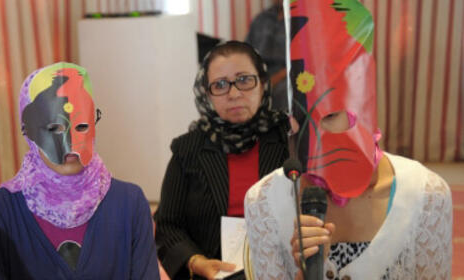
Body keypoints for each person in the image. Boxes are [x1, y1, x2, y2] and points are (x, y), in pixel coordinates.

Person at [244, 1, 453, 279]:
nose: (314, 139)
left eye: (330, 115)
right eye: (299, 120)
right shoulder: (264, 203)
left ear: (362, 106)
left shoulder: (427, 196)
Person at [0, 62, 160, 279]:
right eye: (54, 128)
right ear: (27, 130)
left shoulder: (130, 205)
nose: (70, 143)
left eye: (81, 126)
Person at [154, 41, 290, 280]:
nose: (234, 93)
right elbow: (167, 225)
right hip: (213, 274)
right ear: (207, 94)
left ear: (263, 84)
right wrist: (197, 262)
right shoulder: (188, 149)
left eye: (244, 80)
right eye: (220, 85)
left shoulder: (288, 138)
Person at [245, 0, 287, 111]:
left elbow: (302, 60)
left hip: (285, 74)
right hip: (258, 73)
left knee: (284, 91)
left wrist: (271, 81)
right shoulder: (260, 19)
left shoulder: (299, 19)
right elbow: (246, 54)